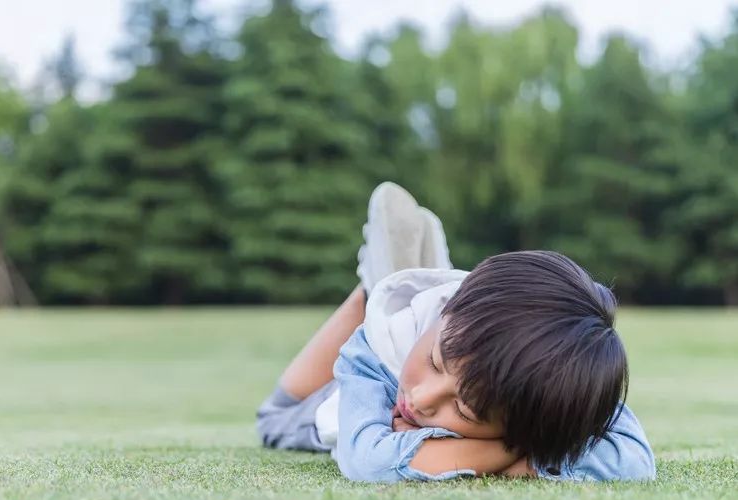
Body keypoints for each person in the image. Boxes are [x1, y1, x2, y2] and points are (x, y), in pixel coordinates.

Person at [256, 182, 656, 483]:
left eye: (466, 410)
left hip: (433, 324)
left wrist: (506, 447)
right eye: (435, 362)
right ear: (450, 308)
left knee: (426, 339)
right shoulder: (374, 349)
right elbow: (365, 460)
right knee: (273, 420)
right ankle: (375, 289)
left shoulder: (555, 373)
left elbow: (635, 460)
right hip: (384, 354)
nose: (421, 399)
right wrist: (505, 452)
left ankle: (392, 285)